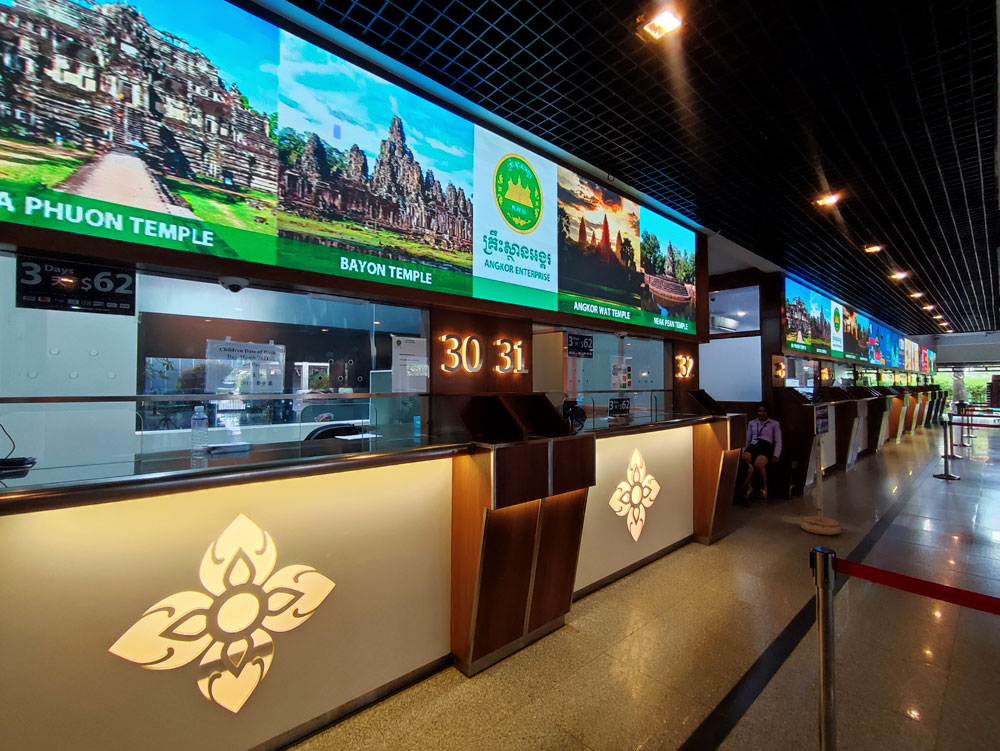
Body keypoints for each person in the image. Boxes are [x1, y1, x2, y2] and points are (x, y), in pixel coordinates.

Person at [738, 401, 782, 501]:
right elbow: (747, 439)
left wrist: (776, 455)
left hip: (766, 446)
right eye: (759, 411)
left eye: (764, 411)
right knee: (745, 458)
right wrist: (743, 451)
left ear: (768, 412)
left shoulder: (774, 424)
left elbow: (778, 441)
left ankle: (763, 488)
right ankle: (748, 487)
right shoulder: (752, 423)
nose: (761, 413)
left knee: (759, 464)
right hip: (753, 444)